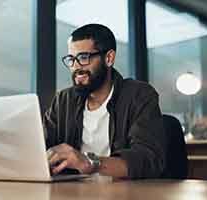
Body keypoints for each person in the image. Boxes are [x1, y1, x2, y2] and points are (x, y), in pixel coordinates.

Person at [43, 24, 166, 179]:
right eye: (71, 59)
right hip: (74, 193)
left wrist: (90, 163)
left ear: (109, 58)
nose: (75, 67)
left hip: (124, 193)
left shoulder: (139, 95)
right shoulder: (63, 100)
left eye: (83, 58)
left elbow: (148, 159)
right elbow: (42, 146)